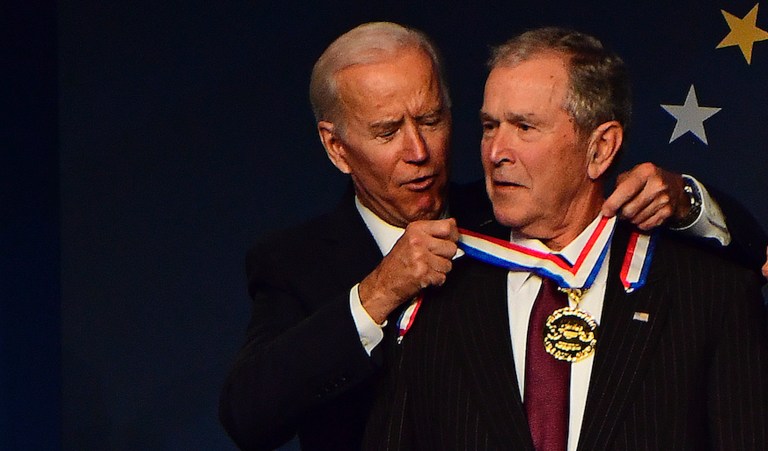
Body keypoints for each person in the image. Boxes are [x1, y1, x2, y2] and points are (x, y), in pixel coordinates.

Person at [219, 22, 760, 451]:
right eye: (387, 132)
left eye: (432, 119)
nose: (419, 151)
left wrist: (689, 200)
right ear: (337, 148)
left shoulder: (512, 208)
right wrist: (379, 292)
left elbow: (746, 265)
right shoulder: (294, 263)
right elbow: (249, 415)